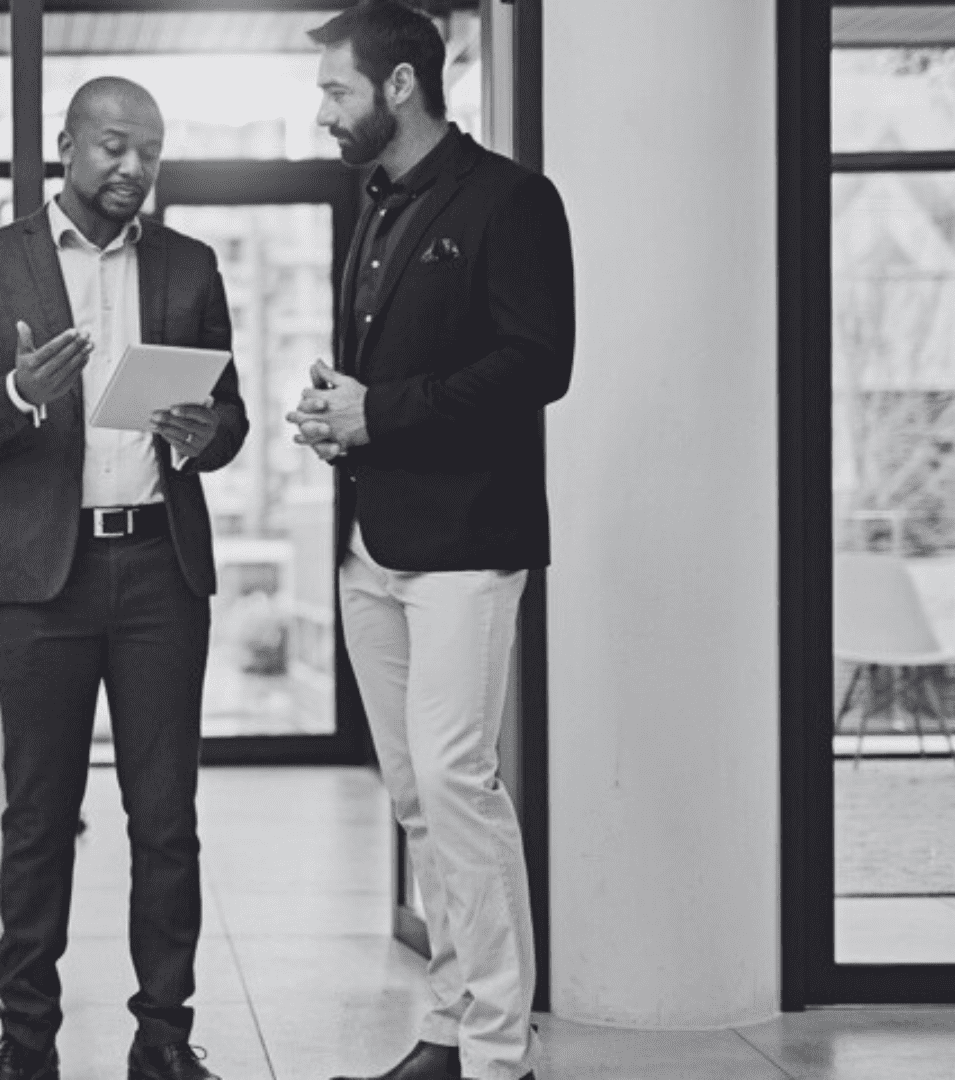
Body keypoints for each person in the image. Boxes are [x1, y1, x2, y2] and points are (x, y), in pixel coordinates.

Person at [0, 76, 248, 1080]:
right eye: (114, 146)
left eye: (149, 151)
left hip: (159, 566)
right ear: (67, 145)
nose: (133, 169)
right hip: (40, 579)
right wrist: (21, 392)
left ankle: (162, 1037)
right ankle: (27, 1045)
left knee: (165, 818)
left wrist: (203, 434)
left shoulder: (189, 266)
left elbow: (227, 417)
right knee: (37, 818)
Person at [285, 4, 574, 1080]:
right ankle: (452, 1024)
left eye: (336, 92)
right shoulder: (374, 204)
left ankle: (502, 1055)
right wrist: (336, 412)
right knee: (414, 796)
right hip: (373, 542)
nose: (323, 112)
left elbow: (538, 364)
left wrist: (382, 412)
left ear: (400, 86)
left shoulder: (512, 199)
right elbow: (389, 377)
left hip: (467, 542)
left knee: (459, 783)